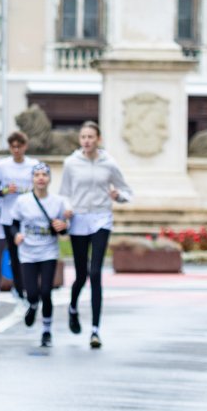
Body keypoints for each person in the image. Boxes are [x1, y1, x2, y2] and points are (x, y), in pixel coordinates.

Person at [59, 120, 133, 349]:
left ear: (98, 139)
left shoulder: (109, 164)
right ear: (80, 140)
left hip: (101, 218)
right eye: (83, 137)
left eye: (91, 137)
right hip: (79, 219)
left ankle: (95, 330)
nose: (87, 141)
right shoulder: (71, 163)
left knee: (95, 272)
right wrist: (67, 208)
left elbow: (127, 192)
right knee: (81, 274)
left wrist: (117, 196)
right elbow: (64, 194)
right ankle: (72, 307)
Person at [12, 163, 69, 347]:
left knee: (46, 291)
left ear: (49, 178)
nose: (40, 178)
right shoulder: (22, 201)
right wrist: (16, 235)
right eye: (37, 175)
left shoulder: (58, 202)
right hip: (27, 252)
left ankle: (46, 331)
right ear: (32, 179)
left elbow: (63, 228)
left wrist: (64, 225)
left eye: (44, 174)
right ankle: (33, 305)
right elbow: (13, 223)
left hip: (48, 252)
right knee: (32, 293)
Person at [0, 131, 39, 306]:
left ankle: (22, 289)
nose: (16, 150)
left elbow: (39, 188)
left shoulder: (33, 165)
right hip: (7, 217)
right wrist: (5, 190)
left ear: (25, 146)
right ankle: (5, 289)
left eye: (20, 146)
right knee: (7, 255)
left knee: (25, 255)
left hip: (27, 217)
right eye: (13, 147)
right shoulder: (2, 166)